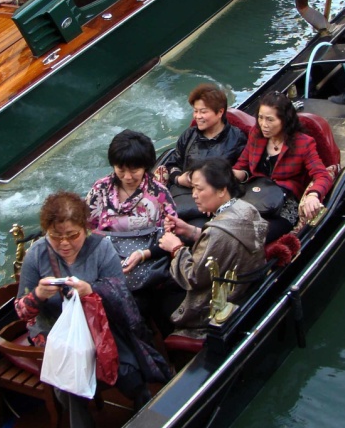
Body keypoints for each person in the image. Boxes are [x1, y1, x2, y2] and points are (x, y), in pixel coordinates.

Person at [15, 192, 170, 428]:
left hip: (99, 323)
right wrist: (38, 295)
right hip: (57, 330)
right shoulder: (36, 255)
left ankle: (139, 395)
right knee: (71, 372)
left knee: (123, 366)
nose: (64, 244)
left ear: (86, 228)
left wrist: (91, 291)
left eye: (72, 236)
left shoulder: (101, 247)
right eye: (56, 237)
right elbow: (21, 310)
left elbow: (120, 292)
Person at [157, 159, 267, 334]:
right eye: (193, 188)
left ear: (222, 190)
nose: (193, 195)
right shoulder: (246, 208)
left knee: (158, 300)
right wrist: (190, 230)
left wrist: (176, 248)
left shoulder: (217, 232)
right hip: (241, 284)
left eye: (199, 189)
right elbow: (225, 239)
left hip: (214, 303)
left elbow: (193, 278)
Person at [233, 92, 334, 240]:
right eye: (260, 118)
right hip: (255, 195)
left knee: (253, 236)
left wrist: (313, 195)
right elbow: (241, 165)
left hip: (286, 203)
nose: (263, 124)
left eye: (270, 120)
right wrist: (223, 178)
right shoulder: (256, 134)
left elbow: (322, 175)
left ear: (284, 120)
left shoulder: (303, 143)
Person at [86, 129, 176, 286]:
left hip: (146, 259)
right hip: (106, 257)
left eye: (134, 170)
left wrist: (143, 254)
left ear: (146, 167)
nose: (127, 177)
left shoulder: (159, 194)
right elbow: (87, 229)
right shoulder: (100, 189)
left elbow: (172, 235)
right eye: (121, 170)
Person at [155, 84, 248, 197]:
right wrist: (179, 179)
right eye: (195, 111)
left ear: (220, 112)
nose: (198, 116)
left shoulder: (237, 137)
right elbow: (172, 164)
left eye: (203, 112)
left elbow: (244, 172)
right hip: (185, 195)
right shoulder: (189, 135)